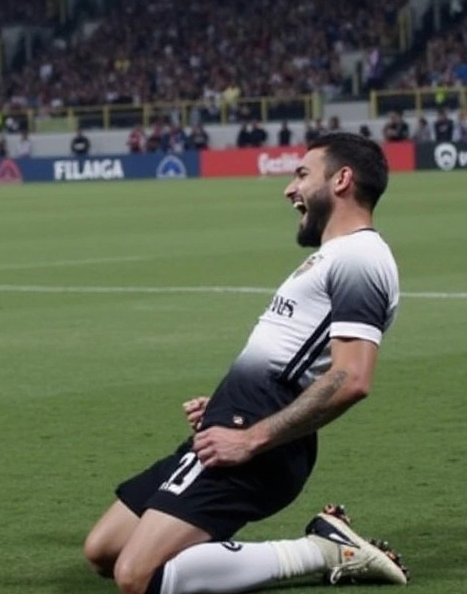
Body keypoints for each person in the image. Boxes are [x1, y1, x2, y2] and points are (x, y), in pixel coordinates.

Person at [82, 132, 408, 594]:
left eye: (301, 175)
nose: (289, 189)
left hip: (255, 439)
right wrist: (222, 402)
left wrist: (252, 437)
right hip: (232, 421)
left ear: (342, 179)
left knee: (137, 577)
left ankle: (323, 550)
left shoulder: (361, 257)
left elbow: (352, 377)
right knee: (104, 550)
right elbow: (288, 358)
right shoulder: (332, 256)